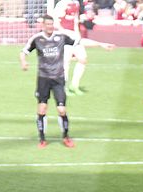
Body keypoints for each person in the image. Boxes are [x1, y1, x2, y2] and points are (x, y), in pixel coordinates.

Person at [20, 15, 114, 148]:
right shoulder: (37, 39)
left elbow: (81, 41)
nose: (50, 27)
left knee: (62, 109)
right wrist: (24, 62)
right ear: (43, 25)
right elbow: (24, 51)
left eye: (51, 24)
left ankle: (66, 136)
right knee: (42, 108)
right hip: (43, 79)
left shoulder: (61, 37)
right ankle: (42, 139)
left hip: (58, 78)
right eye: (47, 24)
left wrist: (101, 44)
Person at [51, 0, 90, 94]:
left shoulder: (76, 3)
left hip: (75, 35)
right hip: (64, 35)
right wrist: (63, 32)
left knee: (83, 59)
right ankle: (62, 88)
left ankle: (74, 85)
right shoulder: (62, 4)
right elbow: (55, 20)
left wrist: (77, 34)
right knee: (66, 62)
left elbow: (75, 19)